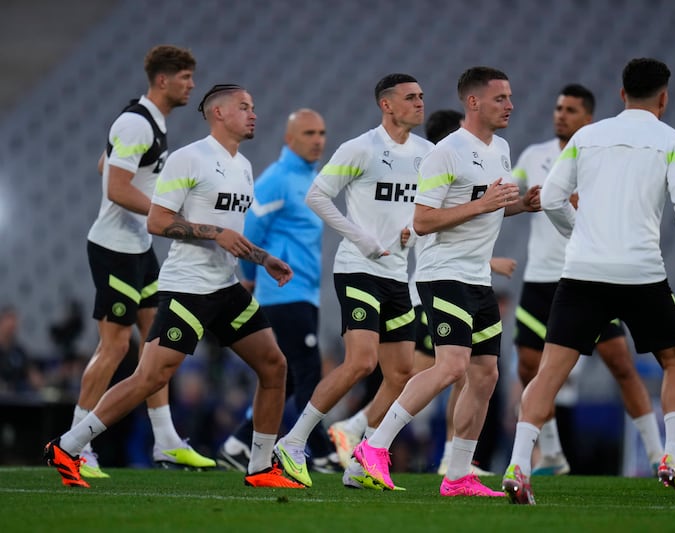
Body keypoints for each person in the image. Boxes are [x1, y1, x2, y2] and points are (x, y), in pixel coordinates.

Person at [44, 84, 304, 489]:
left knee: (275, 366)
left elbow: (229, 234)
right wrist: (212, 231)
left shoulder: (244, 166)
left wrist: (262, 258)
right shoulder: (189, 159)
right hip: (188, 288)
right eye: (244, 107)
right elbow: (158, 221)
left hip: (226, 285)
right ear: (218, 113)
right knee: (149, 378)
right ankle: (69, 445)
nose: (253, 113)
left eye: (253, 106)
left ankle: (259, 467)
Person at [502, 58, 675, 505]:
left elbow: (555, 197)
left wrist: (575, 232)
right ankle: (673, 458)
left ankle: (520, 464)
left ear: (622, 95)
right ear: (663, 98)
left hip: (583, 271)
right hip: (641, 272)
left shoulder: (586, 137)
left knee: (548, 372)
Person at [352, 66, 539, 497]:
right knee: (451, 366)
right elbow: (422, 221)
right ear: (472, 102)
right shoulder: (447, 152)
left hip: (476, 278)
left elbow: (489, 206)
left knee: (486, 374)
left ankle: (457, 476)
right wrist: (485, 204)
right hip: (444, 274)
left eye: (510, 97)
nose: (509, 105)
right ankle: (372, 448)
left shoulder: (502, 148)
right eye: (500, 99)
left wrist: (522, 205)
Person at [327, 109, 517, 476]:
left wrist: (514, 208)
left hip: (462, 282)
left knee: (465, 373)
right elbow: (416, 229)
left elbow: (459, 224)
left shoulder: (477, 159)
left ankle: (450, 460)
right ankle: (364, 435)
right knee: (435, 370)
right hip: (433, 289)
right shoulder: (439, 162)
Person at [271, 73, 432, 489]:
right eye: (410, 97)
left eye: (421, 97)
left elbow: (426, 211)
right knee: (362, 360)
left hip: (398, 273)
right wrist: (361, 238)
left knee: (400, 374)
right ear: (387, 105)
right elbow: (317, 196)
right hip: (358, 268)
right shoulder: (360, 148)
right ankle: (293, 442)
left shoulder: (427, 153)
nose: (419, 103)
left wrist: (412, 232)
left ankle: (362, 460)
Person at [75, 44, 214, 477]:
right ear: (163, 80)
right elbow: (115, 187)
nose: (192, 85)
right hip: (114, 248)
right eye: (186, 78)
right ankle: (75, 444)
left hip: (138, 249)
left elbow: (106, 165)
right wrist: (163, 212)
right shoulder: (136, 122)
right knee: (115, 347)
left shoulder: (146, 120)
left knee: (157, 347)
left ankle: (167, 441)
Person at [512, 84, 663, 475]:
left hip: (587, 277)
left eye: (572, 109)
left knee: (620, 363)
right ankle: (552, 454)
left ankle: (654, 454)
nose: (561, 114)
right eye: (559, 107)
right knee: (530, 367)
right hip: (540, 278)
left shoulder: (600, 158)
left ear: (589, 119)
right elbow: (508, 197)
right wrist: (523, 202)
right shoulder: (533, 155)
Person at [217, 108, 339, 473]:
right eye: (309, 133)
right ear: (289, 139)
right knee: (307, 374)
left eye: (321, 132)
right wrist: (251, 276)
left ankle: (239, 444)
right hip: (283, 293)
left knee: (284, 378)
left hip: (303, 293)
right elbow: (249, 230)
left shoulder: (308, 179)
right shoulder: (278, 179)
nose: (318, 140)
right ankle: (318, 450)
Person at [0, 305, 44, 397]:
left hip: (16, 400)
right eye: (9, 320)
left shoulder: (19, 351)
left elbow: (34, 378)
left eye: (14, 322)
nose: (12, 325)